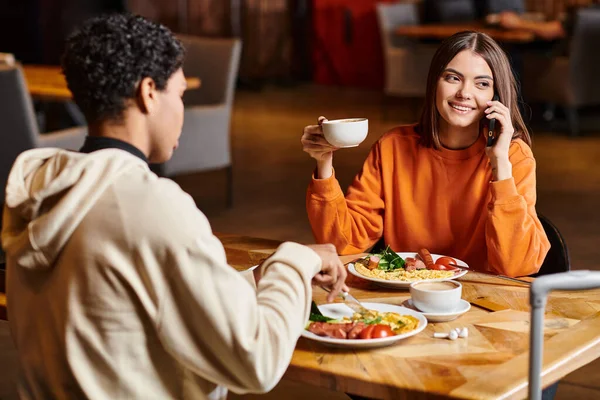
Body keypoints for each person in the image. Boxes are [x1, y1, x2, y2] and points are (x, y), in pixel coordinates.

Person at [1, 13, 348, 399]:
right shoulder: (152, 205)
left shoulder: (43, 191)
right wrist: (294, 260)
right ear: (149, 92)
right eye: (180, 94)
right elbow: (258, 361)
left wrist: (260, 276)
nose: (182, 109)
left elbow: (129, 299)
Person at [301, 31, 550, 278]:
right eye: (453, 78)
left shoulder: (514, 157)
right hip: (405, 296)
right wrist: (324, 162)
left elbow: (517, 265)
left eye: (482, 84)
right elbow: (343, 243)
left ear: (495, 97)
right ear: (434, 83)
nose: (464, 92)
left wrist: (500, 165)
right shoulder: (393, 147)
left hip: (481, 299)